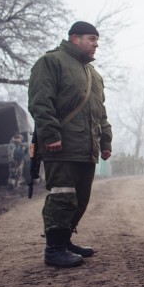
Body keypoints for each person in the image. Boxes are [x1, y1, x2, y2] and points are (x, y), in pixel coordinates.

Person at [27, 21, 112, 268]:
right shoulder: (51, 62)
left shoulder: (93, 74)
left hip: (87, 147)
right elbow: (40, 102)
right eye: (91, 39)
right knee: (63, 196)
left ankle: (64, 241)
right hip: (61, 145)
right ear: (75, 39)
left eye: (97, 40)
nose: (96, 44)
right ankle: (53, 250)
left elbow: (100, 111)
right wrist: (51, 135)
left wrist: (105, 140)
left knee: (81, 199)